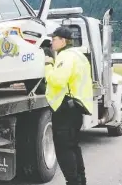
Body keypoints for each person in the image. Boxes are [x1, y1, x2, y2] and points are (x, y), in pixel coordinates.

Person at [43, 26, 93, 185]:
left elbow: (57, 80)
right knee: (73, 147)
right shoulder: (78, 55)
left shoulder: (65, 56)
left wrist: (48, 64)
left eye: (54, 39)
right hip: (76, 107)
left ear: (63, 40)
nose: (51, 42)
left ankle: (73, 182)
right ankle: (80, 181)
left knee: (64, 150)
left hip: (66, 109)